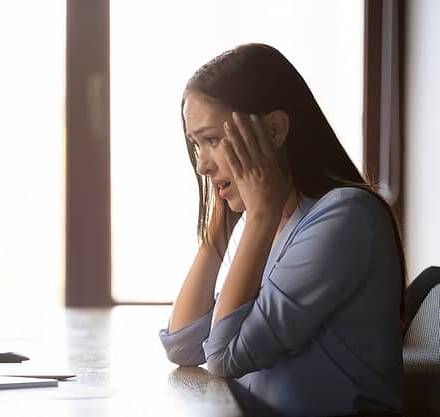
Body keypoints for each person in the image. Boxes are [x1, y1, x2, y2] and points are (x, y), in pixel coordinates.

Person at [159, 43, 405, 417]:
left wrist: (259, 216)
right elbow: (183, 344)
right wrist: (219, 229)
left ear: (274, 129)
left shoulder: (345, 217)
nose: (202, 166)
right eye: (196, 145)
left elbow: (223, 356)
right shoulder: (283, 220)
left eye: (211, 140)